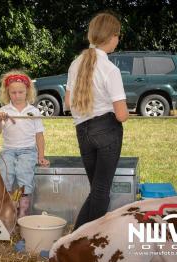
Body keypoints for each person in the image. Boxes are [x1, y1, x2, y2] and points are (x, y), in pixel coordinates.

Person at [64, 12, 129, 230]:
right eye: (117, 36)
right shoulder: (111, 69)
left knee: (97, 191)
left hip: (82, 132)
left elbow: (68, 102)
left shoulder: (75, 64)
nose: (118, 40)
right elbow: (121, 115)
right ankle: (89, 245)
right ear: (111, 37)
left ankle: (73, 241)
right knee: (101, 193)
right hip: (106, 131)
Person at [0, 70, 50, 218]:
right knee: (6, 175)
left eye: (20, 92)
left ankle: (22, 209)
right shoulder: (4, 110)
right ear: (7, 93)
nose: (17, 96)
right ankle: (9, 206)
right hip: (8, 151)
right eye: (13, 93)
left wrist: (41, 156)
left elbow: (39, 135)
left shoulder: (33, 111)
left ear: (27, 92)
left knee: (23, 173)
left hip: (28, 150)